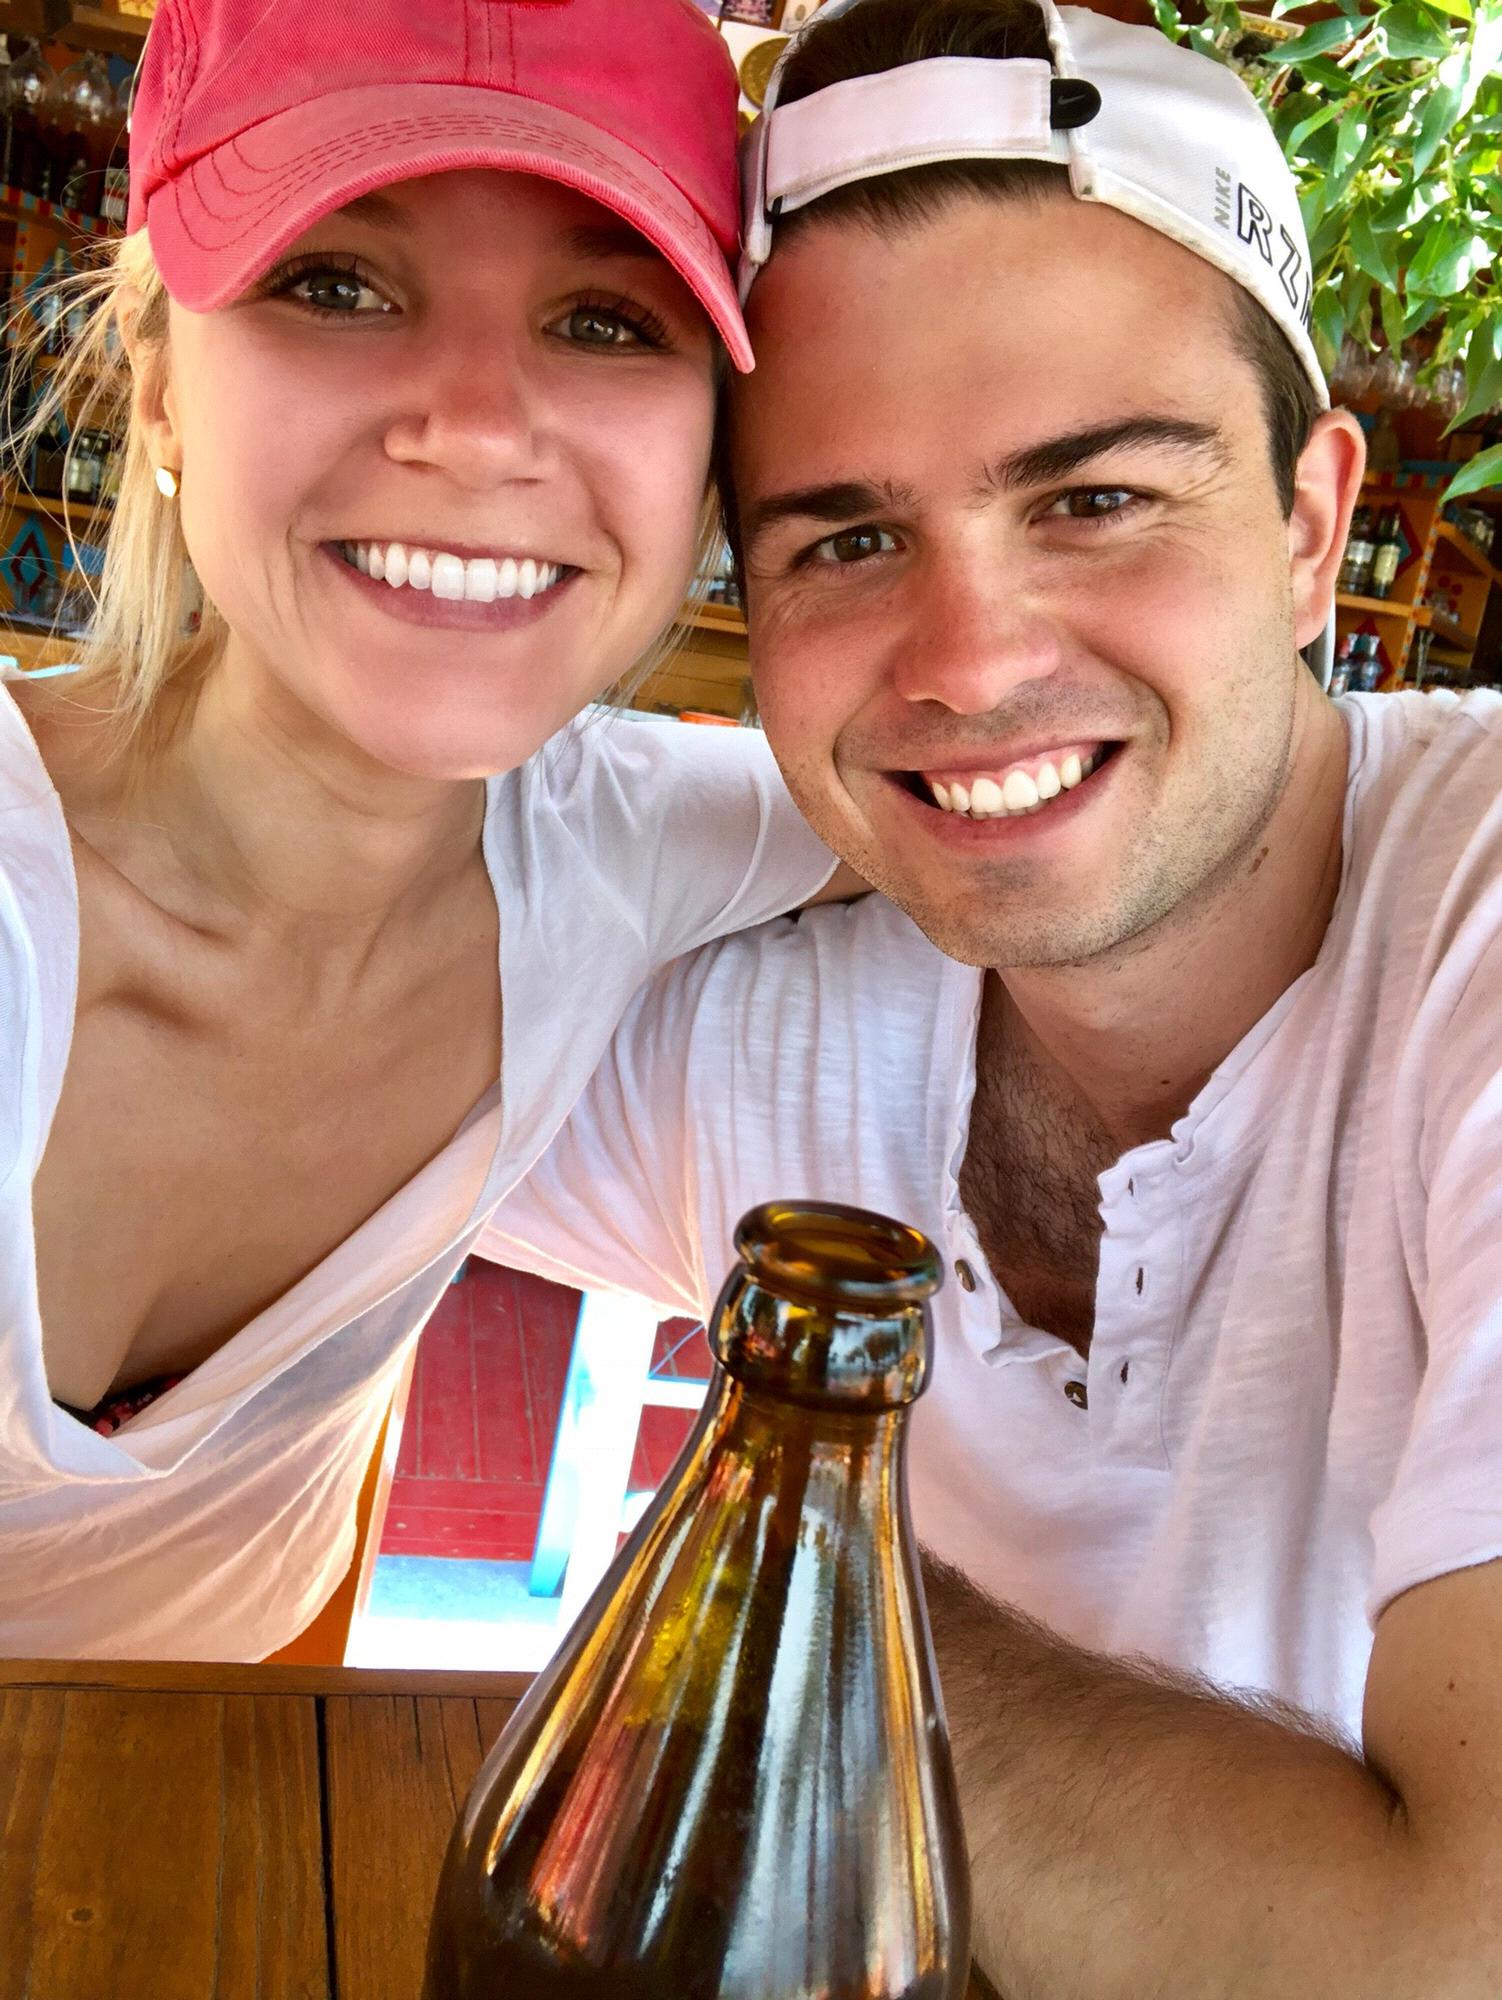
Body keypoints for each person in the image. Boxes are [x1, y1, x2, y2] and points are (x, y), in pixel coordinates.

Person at [483, 0, 1502, 1989]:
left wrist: (777, 1608)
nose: (962, 659)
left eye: (1095, 498)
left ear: (1310, 520)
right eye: (847, 538)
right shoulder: (763, 1006)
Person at [0, 0, 849, 1663]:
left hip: (241, 1863)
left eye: (606, 321)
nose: (471, 425)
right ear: (160, 389)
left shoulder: (644, 844)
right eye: (336, 286)